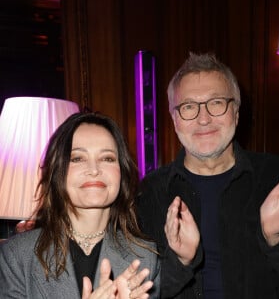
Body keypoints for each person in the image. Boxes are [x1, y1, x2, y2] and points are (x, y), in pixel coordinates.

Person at [136, 52, 279, 299]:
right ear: (174, 120)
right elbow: (141, 293)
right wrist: (180, 262)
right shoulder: (149, 192)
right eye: (189, 106)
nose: (204, 119)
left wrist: (275, 240)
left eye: (216, 103)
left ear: (235, 112)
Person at [0, 112, 160, 299]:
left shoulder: (145, 256)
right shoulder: (16, 256)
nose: (94, 170)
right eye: (77, 158)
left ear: (122, 173)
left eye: (107, 158)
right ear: (57, 170)